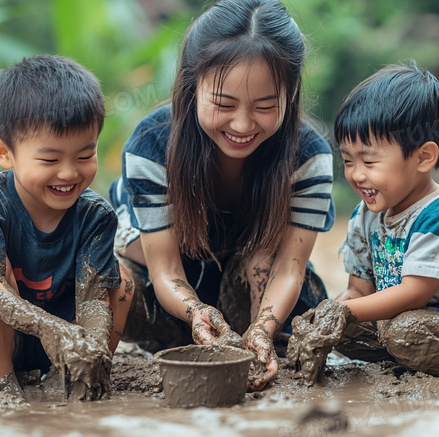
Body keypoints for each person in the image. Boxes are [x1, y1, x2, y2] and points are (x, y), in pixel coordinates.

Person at [108, 0, 335, 391]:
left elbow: (289, 269)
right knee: (118, 280)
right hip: (174, 267)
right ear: (192, 85)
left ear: (291, 92)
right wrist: (195, 311)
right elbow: (165, 271)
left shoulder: (309, 157)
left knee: (278, 279)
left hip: (254, 269)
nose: (243, 124)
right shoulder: (151, 146)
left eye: (265, 106)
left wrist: (263, 329)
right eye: (223, 104)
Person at [287, 61, 439, 383]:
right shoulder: (365, 215)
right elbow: (359, 290)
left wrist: (343, 312)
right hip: (404, 320)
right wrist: (328, 314)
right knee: (343, 330)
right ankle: (402, 350)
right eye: (348, 160)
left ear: (423, 157)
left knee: (403, 331)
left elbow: (413, 294)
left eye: (369, 161)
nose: (356, 174)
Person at [0, 55, 133, 401]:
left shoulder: (95, 215)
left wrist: (86, 345)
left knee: (122, 281)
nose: (69, 173)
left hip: (60, 340)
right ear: (4, 152)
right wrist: (51, 328)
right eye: (49, 159)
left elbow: (92, 301)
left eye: (84, 156)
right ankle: (4, 385)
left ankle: (75, 376)